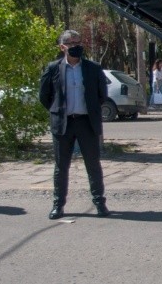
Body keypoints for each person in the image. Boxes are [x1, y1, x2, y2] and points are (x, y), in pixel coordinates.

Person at [39, 29, 110, 219]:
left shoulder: (93, 68)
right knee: (61, 166)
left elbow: (101, 95)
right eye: (71, 43)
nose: (76, 46)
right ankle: (58, 205)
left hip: (87, 123)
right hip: (63, 124)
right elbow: (44, 96)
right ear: (63, 47)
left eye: (78, 42)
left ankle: (99, 203)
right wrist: (59, 111)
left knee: (93, 164)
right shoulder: (53, 68)